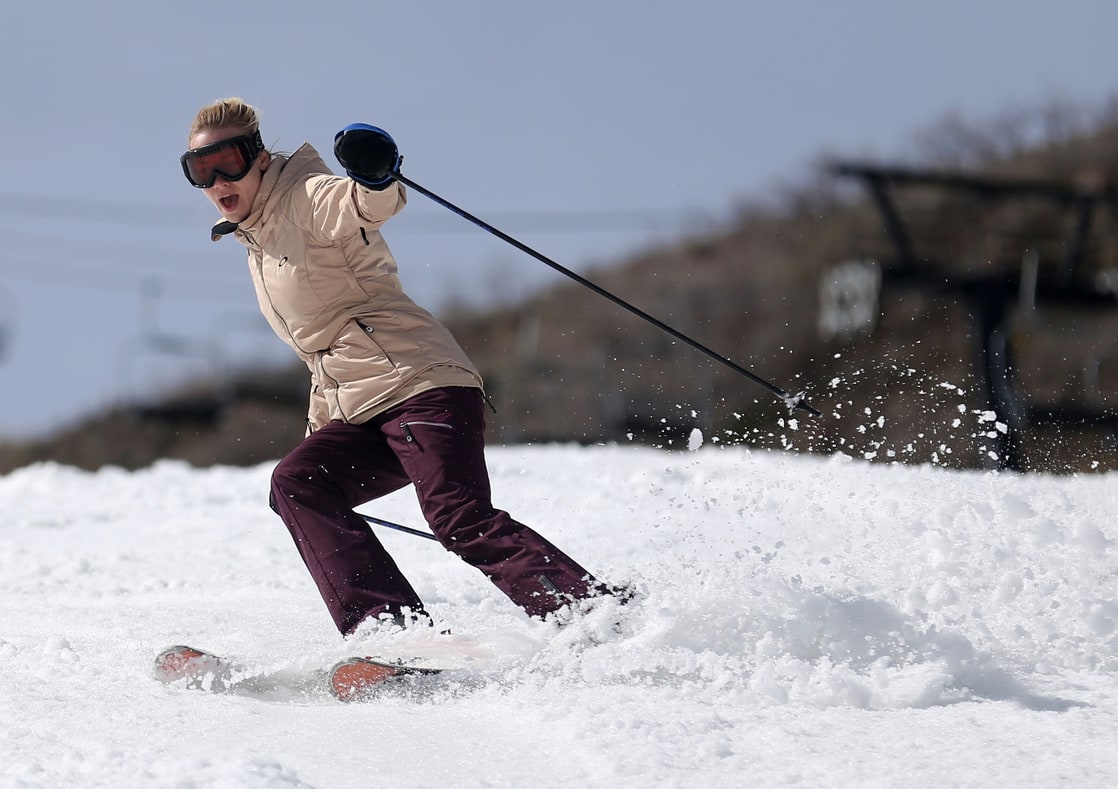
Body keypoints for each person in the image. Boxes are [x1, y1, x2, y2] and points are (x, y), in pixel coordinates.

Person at [181, 98, 616, 636]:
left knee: (459, 517)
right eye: (200, 170)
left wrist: (375, 175)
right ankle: (389, 629)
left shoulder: (305, 198)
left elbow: (363, 204)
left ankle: (595, 615)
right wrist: (323, 432)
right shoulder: (260, 243)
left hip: (418, 385)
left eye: (231, 160)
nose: (219, 179)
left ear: (262, 158)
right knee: (297, 482)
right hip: (362, 409)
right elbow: (324, 352)